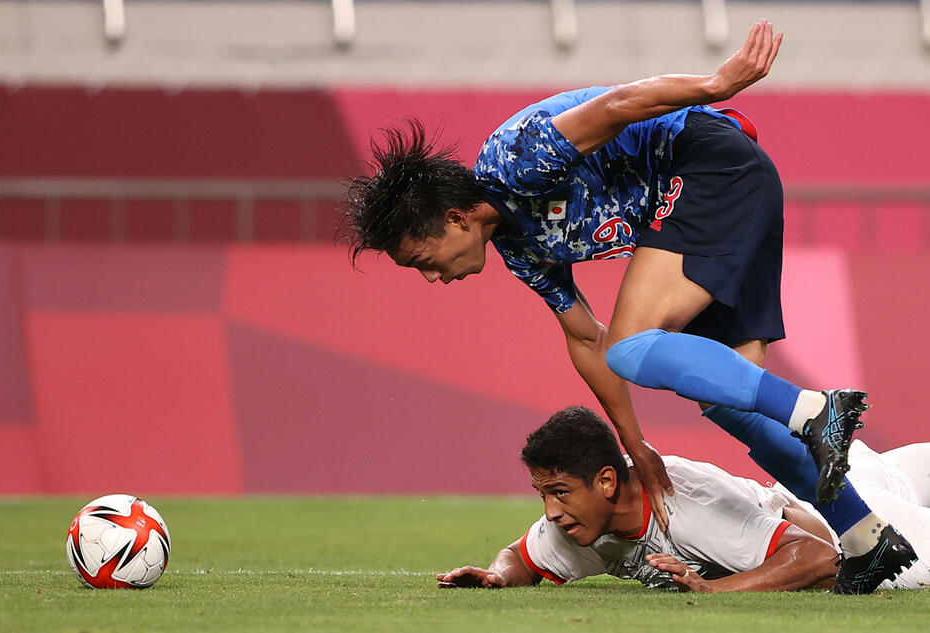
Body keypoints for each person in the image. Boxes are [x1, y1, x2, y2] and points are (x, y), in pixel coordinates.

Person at [341, 20, 916, 591]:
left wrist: (715, 85)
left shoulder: (512, 162)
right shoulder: (518, 248)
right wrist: (635, 444)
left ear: (455, 218)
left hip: (708, 167)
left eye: (423, 260)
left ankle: (816, 409)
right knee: (736, 405)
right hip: (727, 193)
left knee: (634, 345)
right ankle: (864, 537)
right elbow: (584, 339)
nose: (432, 277)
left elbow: (618, 104)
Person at [436, 407, 929, 593]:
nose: (550, 512)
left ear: (606, 481)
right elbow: (521, 555)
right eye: (544, 494)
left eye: (559, 493)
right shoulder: (582, 525)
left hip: (860, 517)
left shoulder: (687, 507)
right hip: (819, 490)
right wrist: (496, 574)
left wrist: (715, 590)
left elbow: (819, 557)